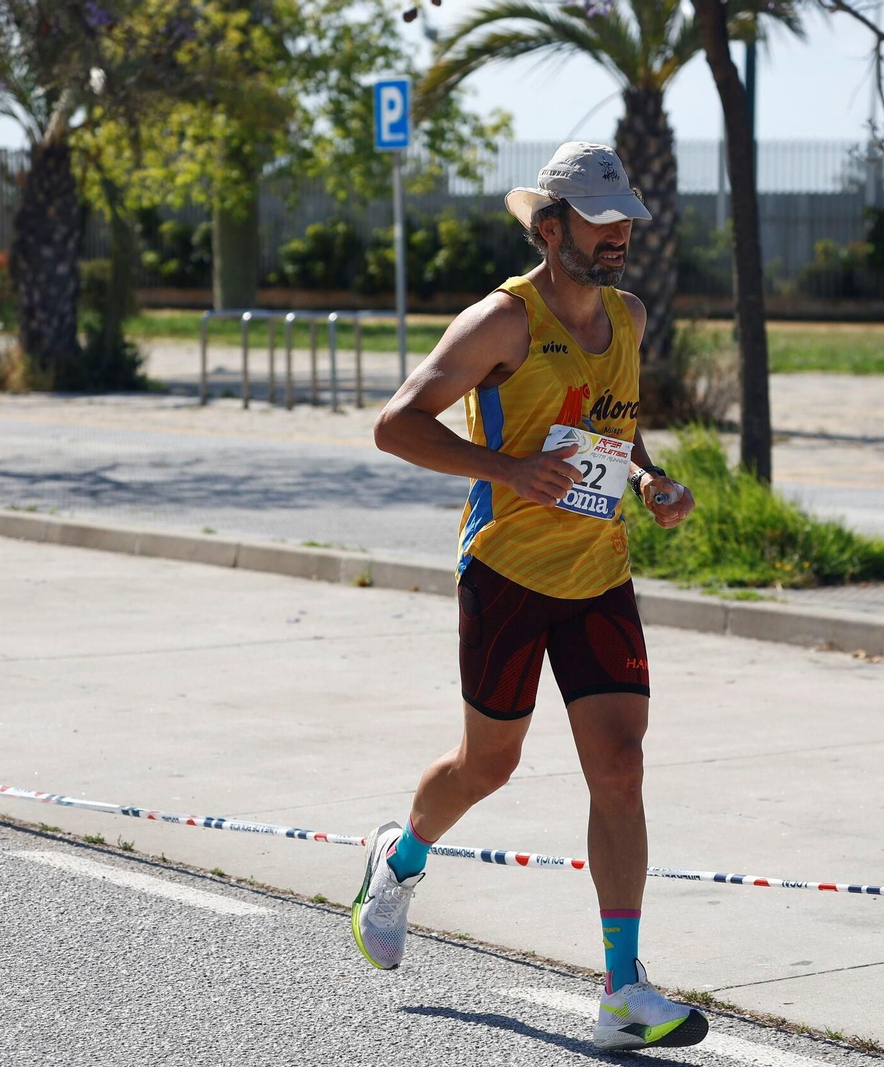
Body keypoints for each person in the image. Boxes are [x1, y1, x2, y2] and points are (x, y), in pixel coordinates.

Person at [357, 142, 706, 1052]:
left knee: (620, 765)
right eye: (600, 220)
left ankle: (623, 987)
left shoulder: (627, 316)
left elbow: (616, 433)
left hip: (599, 571)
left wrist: (650, 482)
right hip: (507, 572)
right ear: (551, 228)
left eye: (625, 220)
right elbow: (397, 425)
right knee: (489, 766)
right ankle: (399, 856)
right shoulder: (502, 321)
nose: (619, 235)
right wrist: (507, 469)